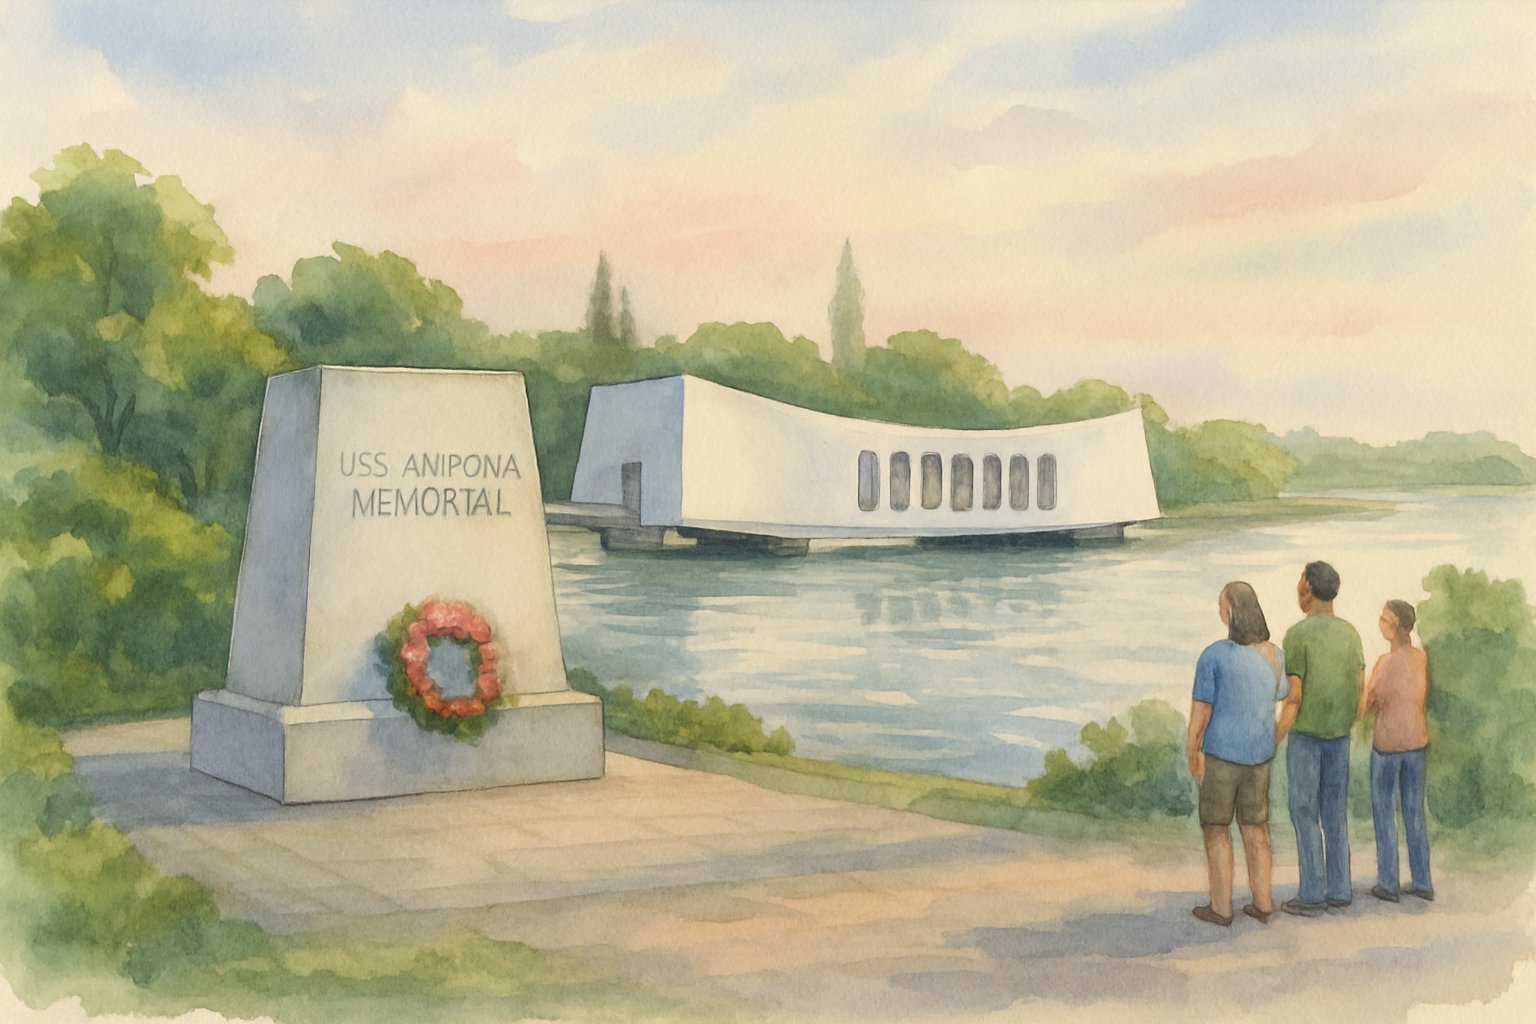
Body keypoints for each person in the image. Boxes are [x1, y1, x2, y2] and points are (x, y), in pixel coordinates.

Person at [1187, 581, 1288, 927]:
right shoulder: (1275, 654)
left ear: (1232, 612)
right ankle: (1262, 902)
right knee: (1256, 828)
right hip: (1259, 756)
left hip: (1221, 756)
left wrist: (1192, 749)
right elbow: (1283, 695)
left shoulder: (1214, 655)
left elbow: (1201, 711)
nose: (1219, 611)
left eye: (1221, 605)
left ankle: (1221, 907)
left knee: (1216, 828)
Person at [1277, 561, 1364, 916]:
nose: (1298, 591)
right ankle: (1340, 889)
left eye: (1301, 584)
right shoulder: (1351, 633)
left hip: (1306, 738)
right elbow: (1360, 691)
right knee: (1334, 813)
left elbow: (1293, 695)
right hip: (1339, 736)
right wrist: (1344, 722)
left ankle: (1312, 893)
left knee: (1303, 811)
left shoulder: (1298, 635)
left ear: (1309, 589)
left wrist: (1277, 734)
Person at [1361, 599, 1434, 902]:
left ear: (1399, 627)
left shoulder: (1384, 663)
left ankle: (1389, 883)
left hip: (1388, 746)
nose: (1381, 624)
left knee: (1385, 813)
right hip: (1417, 743)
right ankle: (1422, 881)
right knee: (1414, 813)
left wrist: (1372, 700)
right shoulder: (1420, 658)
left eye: (1385, 620)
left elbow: (1366, 704)